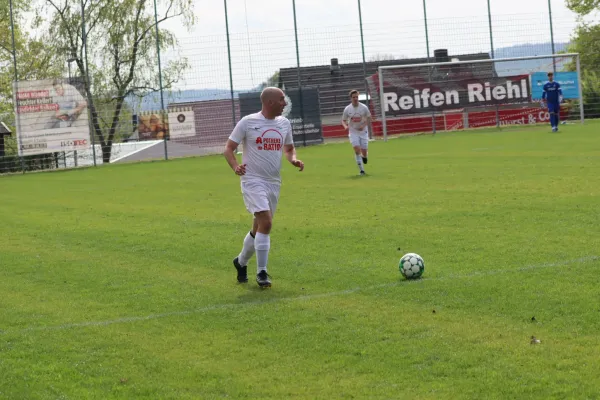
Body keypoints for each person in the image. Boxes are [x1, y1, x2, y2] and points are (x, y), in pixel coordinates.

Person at [223, 87, 305, 288]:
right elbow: (228, 148)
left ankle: (240, 262)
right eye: (281, 100)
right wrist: (235, 166)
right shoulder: (248, 122)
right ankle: (262, 272)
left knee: (258, 227)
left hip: (273, 182)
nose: (284, 103)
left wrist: (293, 159)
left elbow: (289, 148)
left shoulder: (284, 124)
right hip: (252, 180)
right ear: (269, 102)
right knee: (266, 223)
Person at [342, 89, 372, 175]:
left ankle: (365, 156)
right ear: (350, 98)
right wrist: (345, 126)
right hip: (353, 132)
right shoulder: (347, 109)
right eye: (354, 97)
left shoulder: (364, 107)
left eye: (357, 97)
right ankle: (361, 170)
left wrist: (363, 125)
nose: (355, 98)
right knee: (356, 150)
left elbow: (369, 118)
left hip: (363, 132)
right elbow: (343, 120)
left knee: (364, 152)